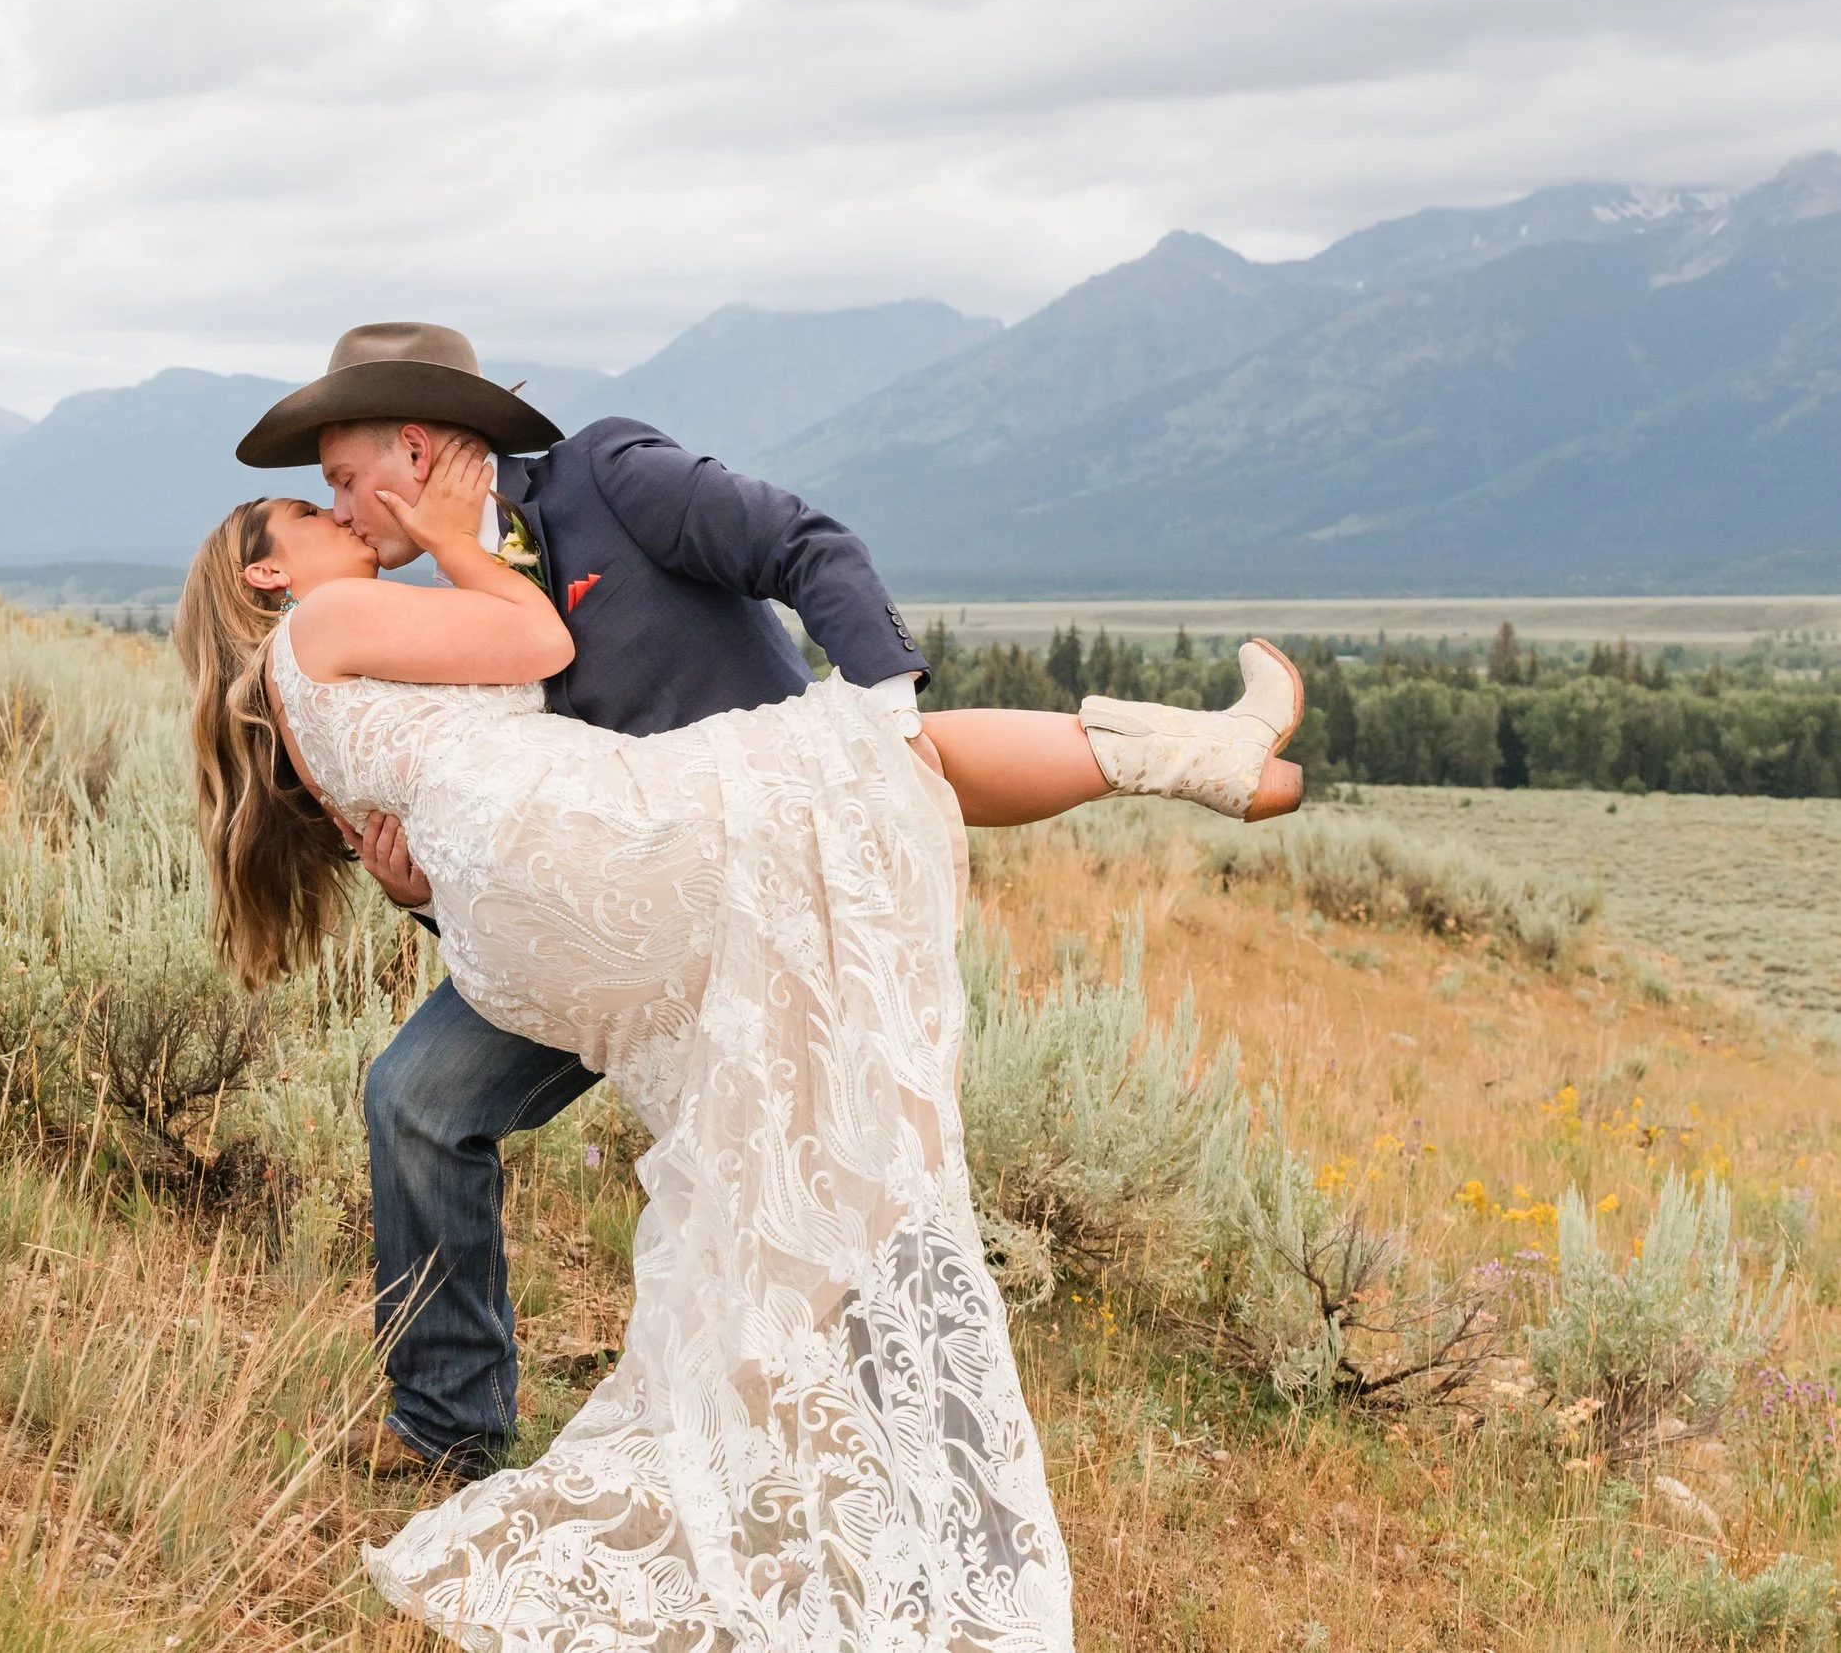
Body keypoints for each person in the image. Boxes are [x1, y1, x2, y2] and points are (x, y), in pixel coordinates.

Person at [178, 330, 1302, 1650]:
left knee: (823, 1139)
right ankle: (449, 1427)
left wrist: (872, 701)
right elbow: (456, 781)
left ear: (413, 448)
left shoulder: (607, 479)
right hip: (599, 915)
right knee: (416, 1093)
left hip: (725, 874)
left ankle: (849, 1430)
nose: (353, 510)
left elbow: (801, 543)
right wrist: (412, 880)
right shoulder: (412, 602)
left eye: (344, 477)